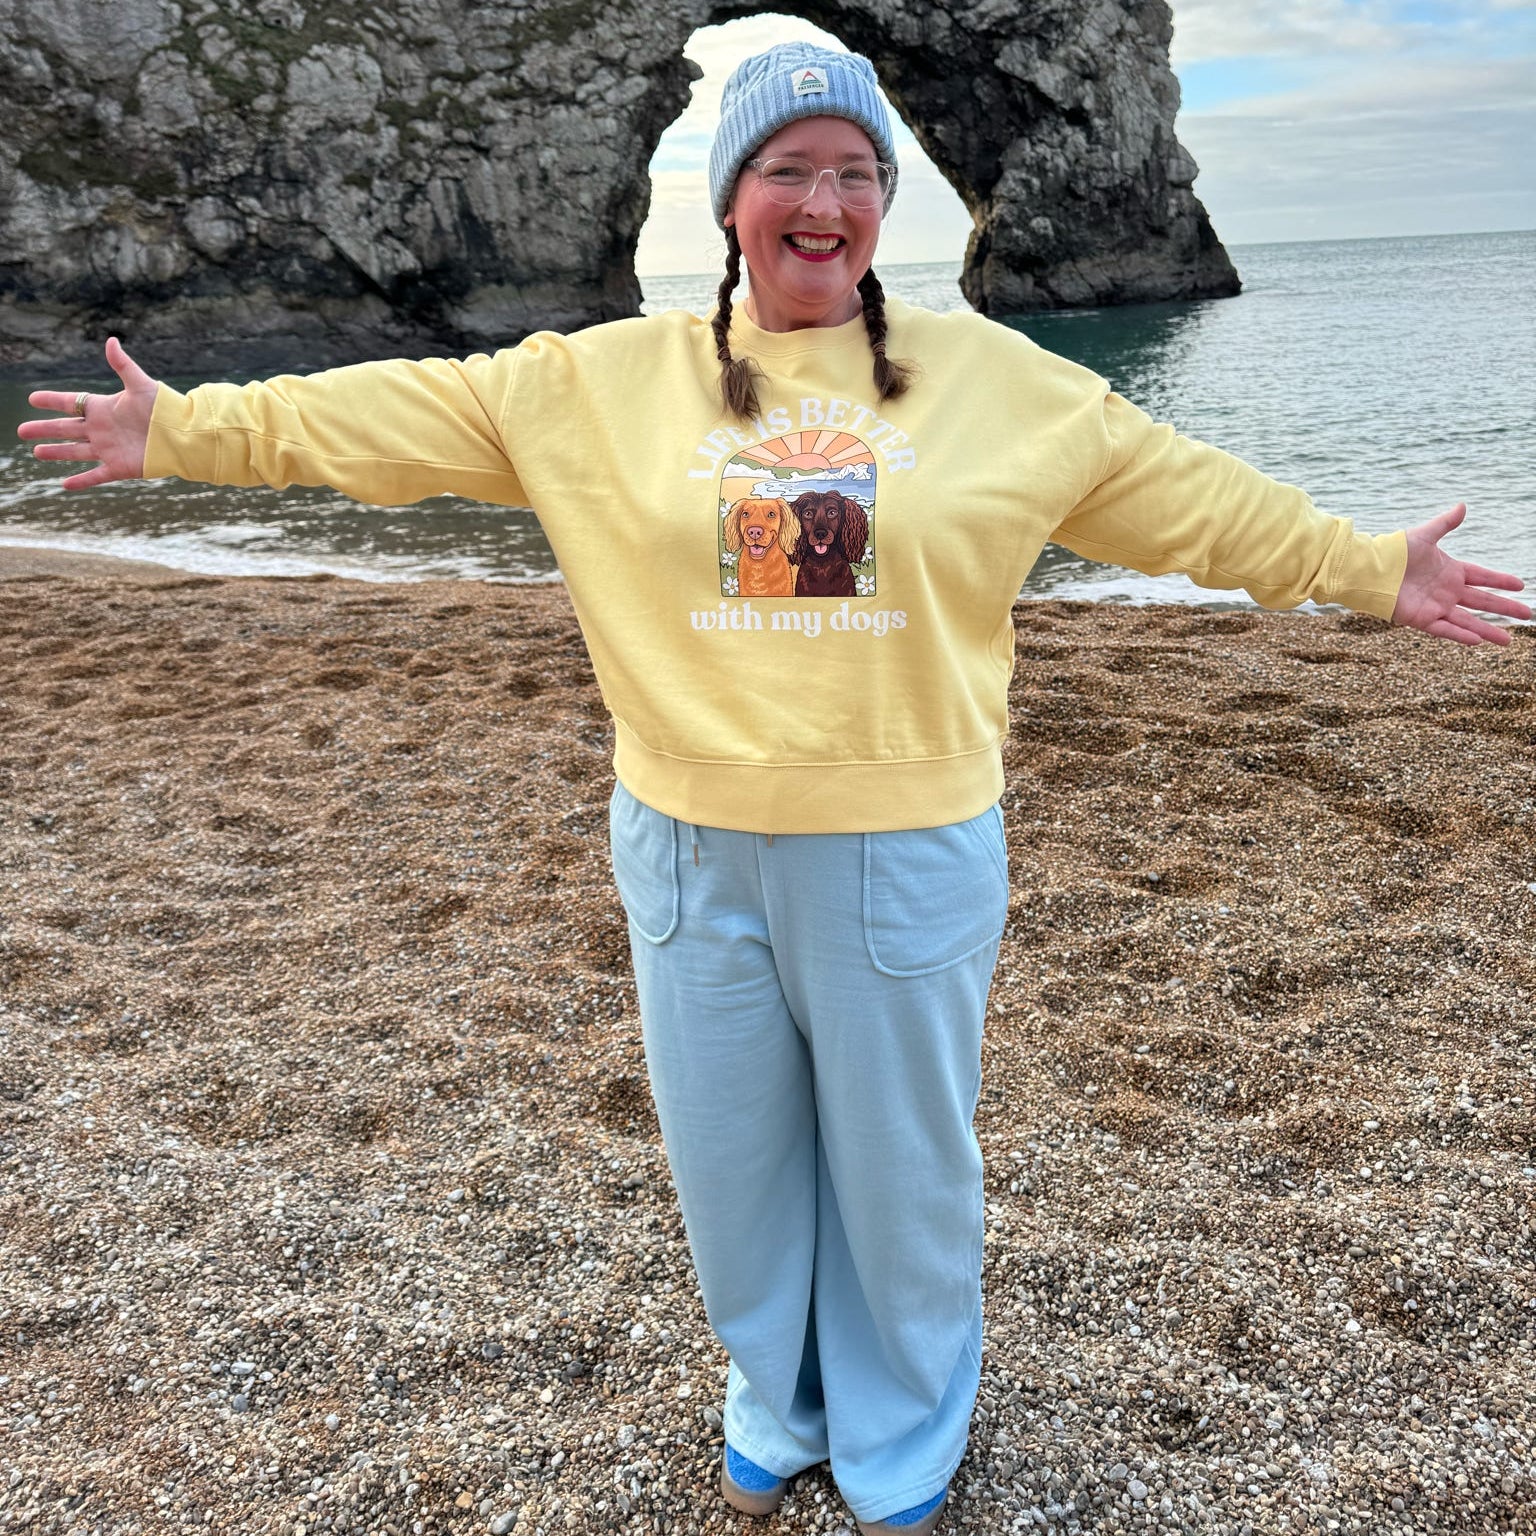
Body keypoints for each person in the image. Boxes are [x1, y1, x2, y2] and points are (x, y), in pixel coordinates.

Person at [19, 41, 1528, 1536]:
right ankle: (777, 1394)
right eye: (789, 168)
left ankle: (901, 1423)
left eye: (857, 173)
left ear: (887, 206)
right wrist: (182, 431)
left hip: (904, 845)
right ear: (731, 200)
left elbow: (1193, 501)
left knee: (898, 1171)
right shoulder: (593, 386)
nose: (826, 198)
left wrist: (1366, 569)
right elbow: (385, 422)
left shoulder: (1006, 386)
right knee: (732, 1162)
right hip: (684, 844)